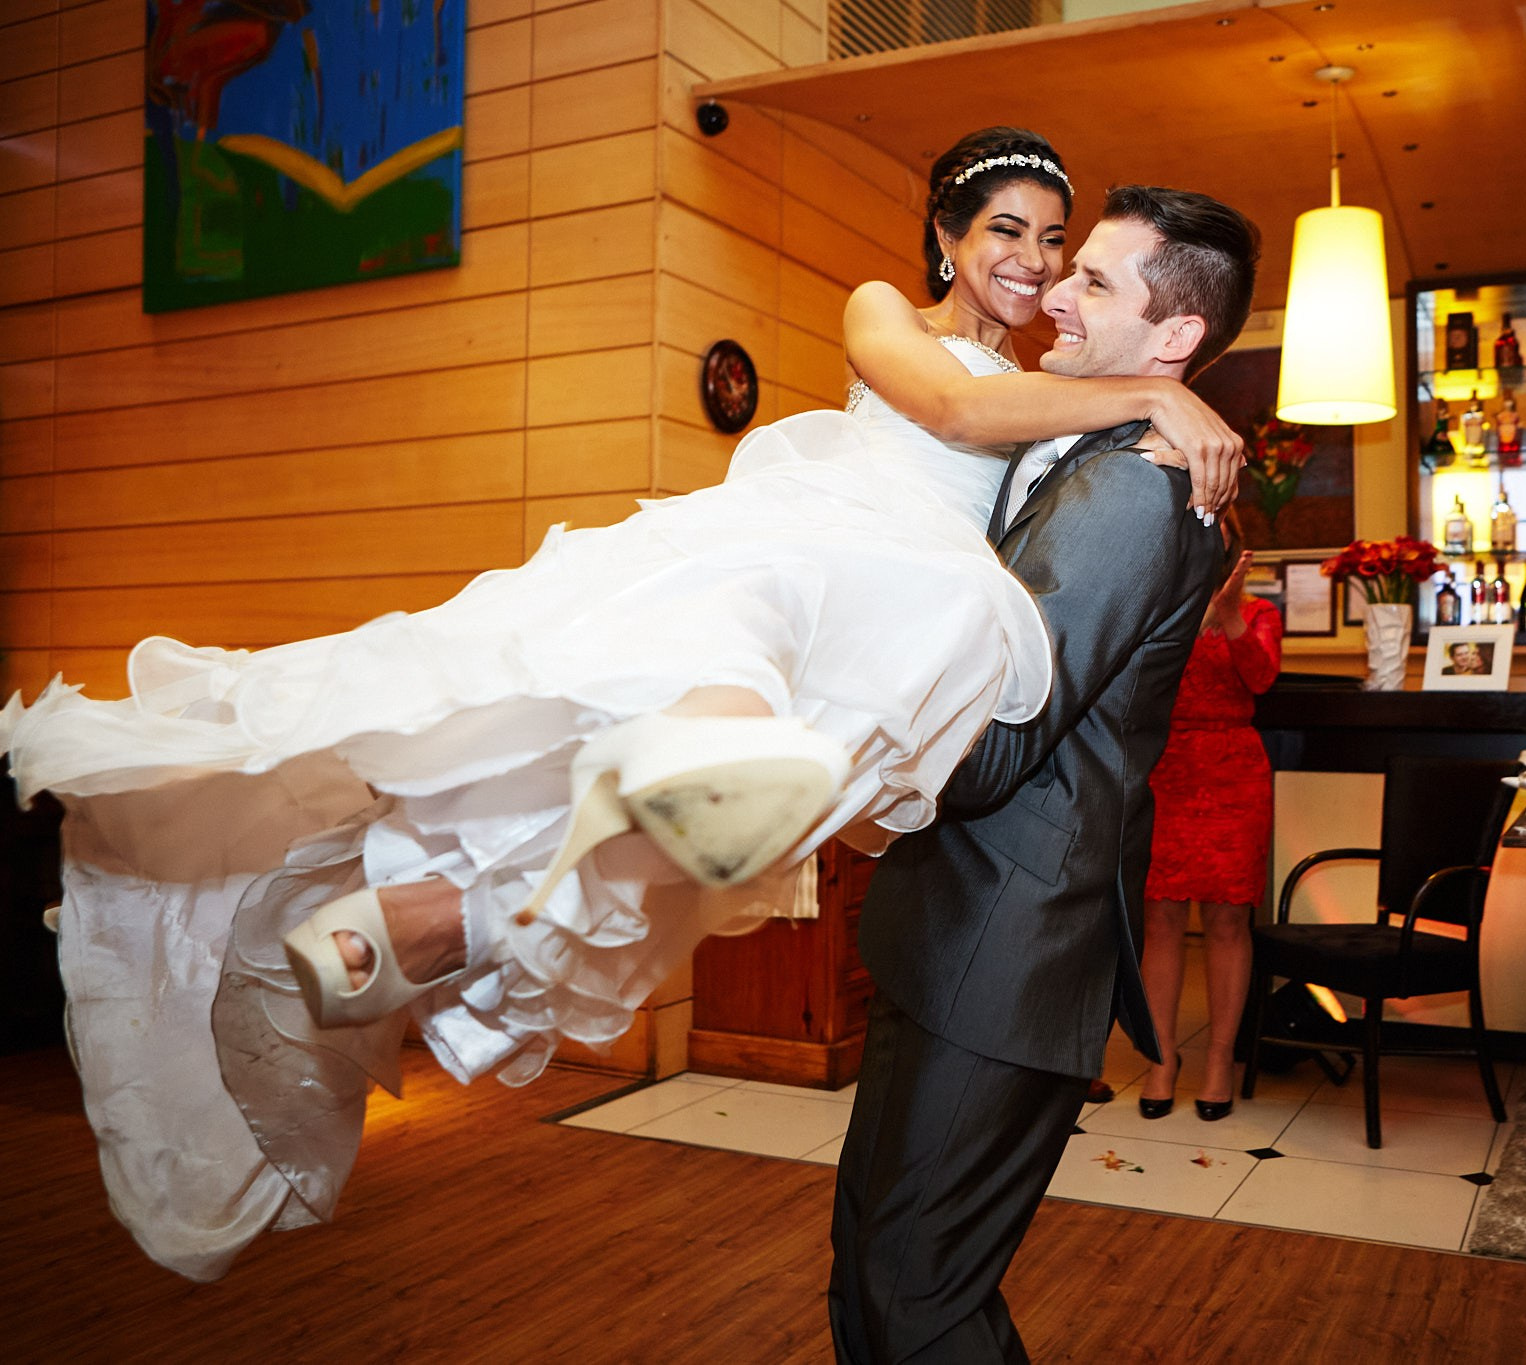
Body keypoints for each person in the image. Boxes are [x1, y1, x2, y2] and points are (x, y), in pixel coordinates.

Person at [0, 127, 1245, 1282]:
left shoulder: (1060, 392)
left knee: (557, 855)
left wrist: (1151, 416)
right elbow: (955, 412)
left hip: (903, 634)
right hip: (841, 553)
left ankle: (315, 975)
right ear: (944, 241)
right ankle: (646, 786)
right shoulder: (894, 316)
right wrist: (1155, 393)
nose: (1032, 264)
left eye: (1054, 242)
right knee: (715, 662)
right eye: (1006, 233)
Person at [829, 184, 1260, 1363]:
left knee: (918, 1292)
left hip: (1009, 937)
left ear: (1171, 341)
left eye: (1093, 281)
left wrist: (839, 736)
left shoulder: (1131, 483)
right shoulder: (1081, 437)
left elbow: (1000, 738)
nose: (1052, 289)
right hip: (957, 923)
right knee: (875, 1259)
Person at [1132, 510, 1280, 1123]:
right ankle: (1161, 1058)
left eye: (1215, 522)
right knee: (1160, 920)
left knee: (1226, 923)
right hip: (1164, 768)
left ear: (1232, 539)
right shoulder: (1151, 601)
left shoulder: (1260, 610)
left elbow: (1262, 677)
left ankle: (1220, 1060)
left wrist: (1231, 614)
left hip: (1234, 770)